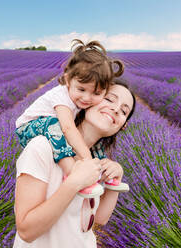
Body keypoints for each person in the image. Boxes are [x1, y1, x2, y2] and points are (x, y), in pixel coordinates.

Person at [13, 81, 136, 247]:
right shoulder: (41, 148)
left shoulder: (95, 160)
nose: (115, 109)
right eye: (109, 99)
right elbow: (26, 231)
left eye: (123, 111)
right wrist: (74, 183)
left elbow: (98, 218)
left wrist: (115, 180)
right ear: (89, 98)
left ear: (123, 125)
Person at [15, 39, 128, 198]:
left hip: (52, 129)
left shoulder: (80, 98)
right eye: (81, 89)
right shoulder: (61, 96)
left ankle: (104, 173)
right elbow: (67, 128)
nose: (86, 98)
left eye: (96, 93)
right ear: (68, 80)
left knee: (92, 143)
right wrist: (86, 158)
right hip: (29, 127)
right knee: (56, 125)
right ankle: (73, 173)